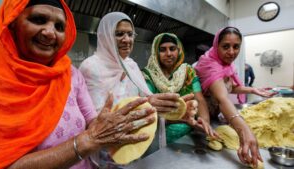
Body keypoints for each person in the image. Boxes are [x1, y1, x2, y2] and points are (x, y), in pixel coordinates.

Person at [0, 1, 155, 169]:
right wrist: (86, 142)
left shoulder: (70, 74)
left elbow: (91, 119)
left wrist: (103, 125)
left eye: (59, 26)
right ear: (12, 23)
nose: (50, 33)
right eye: (38, 20)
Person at [79, 12, 201, 167]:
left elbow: (147, 108)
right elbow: (93, 120)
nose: (127, 39)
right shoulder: (91, 67)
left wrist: (174, 112)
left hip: (134, 148)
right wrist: (147, 104)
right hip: (106, 153)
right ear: (105, 36)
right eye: (119, 34)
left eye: (130, 34)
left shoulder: (131, 66)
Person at [194, 27, 276, 168]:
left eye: (236, 47)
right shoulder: (208, 64)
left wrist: (252, 89)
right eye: (226, 46)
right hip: (201, 119)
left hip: (215, 114)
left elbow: (229, 87)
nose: (231, 52)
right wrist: (244, 131)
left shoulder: (225, 65)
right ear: (216, 45)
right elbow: (222, 98)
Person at [142, 33, 217, 143]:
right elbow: (148, 108)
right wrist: (177, 118)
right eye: (163, 50)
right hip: (158, 137)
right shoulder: (148, 75)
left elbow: (199, 99)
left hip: (187, 136)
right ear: (156, 53)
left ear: (179, 50)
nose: (168, 53)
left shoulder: (188, 72)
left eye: (172, 49)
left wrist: (204, 121)